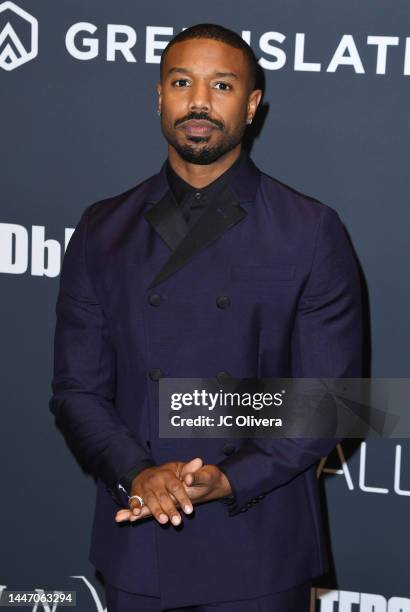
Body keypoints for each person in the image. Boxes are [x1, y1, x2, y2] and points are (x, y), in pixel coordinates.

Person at [50, 23, 363, 612]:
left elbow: (334, 400)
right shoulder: (102, 229)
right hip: (139, 540)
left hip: (261, 544)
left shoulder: (309, 230)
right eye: (181, 82)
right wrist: (139, 472)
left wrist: (230, 478)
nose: (199, 101)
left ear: (250, 106)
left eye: (221, 85)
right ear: (159, 97)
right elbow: (76, 390)